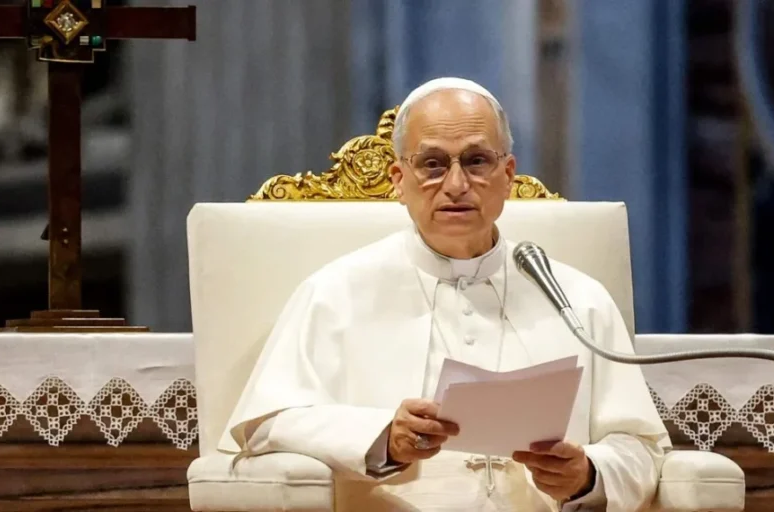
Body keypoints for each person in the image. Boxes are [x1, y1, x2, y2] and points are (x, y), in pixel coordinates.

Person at [220, 77, 670, 511]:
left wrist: (588, 475)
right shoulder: (335, 293)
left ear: (507, 175)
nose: (456, 185)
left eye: (477, 161)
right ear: (399, 179)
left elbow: (640, 447)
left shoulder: (578, 299)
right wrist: (380, 436)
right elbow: (266, 425)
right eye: (432, 164)